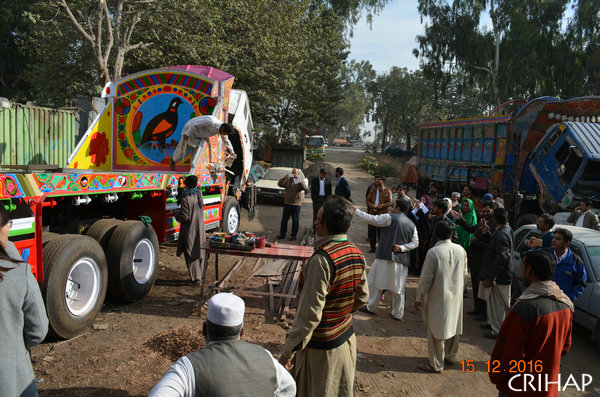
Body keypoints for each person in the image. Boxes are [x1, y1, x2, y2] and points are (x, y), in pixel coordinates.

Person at [279, 196, 368, 397]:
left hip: (321, 352)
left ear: (326, 224)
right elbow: (362, 297)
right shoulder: (356, 253)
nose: (315, 223)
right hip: (346, 340)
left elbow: (309, 316)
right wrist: (339, 310)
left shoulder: (322, 260)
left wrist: (287, 354)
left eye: (319, 219)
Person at [150, 293, 296, 397]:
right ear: (242, 331)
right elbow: (289, 387)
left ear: (204, 329)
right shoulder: (266, 357)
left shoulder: (188, 367)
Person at [490, 250, 573, 397]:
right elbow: (564, 347)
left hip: (519, 388)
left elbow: (507, 354)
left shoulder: (524, 308)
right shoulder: (566, 305)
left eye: (522, 268)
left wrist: (498, 377)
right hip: (547, 387)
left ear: (529, 271)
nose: (521, 272)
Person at [0, 205, 49, 397]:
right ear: (3, 228)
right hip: (12, 381)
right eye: (8, 224)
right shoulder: (18, 272)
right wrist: (13, 347)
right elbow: (38, 330)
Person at [414, 220, 468, 374]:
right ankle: (450, 356)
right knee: (453, 325)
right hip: (455, 295)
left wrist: (419, 297)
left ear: (436, 234)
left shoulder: (434, 252)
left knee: (436, 329)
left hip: (439, 296)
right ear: (452, 234)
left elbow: (425, 278)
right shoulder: (461, 250)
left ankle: (436, 363)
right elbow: (464, 274)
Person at [353, 199, 418, 320]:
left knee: (377, 283)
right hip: (401, 260)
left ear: (397, 208)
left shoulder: (389, 218)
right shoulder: (411, 224)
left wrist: (356, 211)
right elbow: (415, 243)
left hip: (384, 257)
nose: (390, 208)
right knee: (398, 288)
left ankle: (372, 307)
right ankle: (397, 313)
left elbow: (372, 219)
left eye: (393, 206)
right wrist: (402, 248)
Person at [451, 201, 496, 319]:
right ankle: (478, 308)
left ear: (493, 210)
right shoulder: (482, 221)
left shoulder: (494, 225)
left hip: (484, 260)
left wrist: (476, 242)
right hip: (475, 260)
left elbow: (490, 245)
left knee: (483, 287)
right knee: (476, 285)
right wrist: (460, 220)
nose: (485, 213)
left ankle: (483, 312)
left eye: (487, 211)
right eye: (483, 211)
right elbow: (472, 229)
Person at [478, 208, 514, 339]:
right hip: (498, 275)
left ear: (495, 219)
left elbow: (501, 257)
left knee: (498, 304)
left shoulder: (502, 234)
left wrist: (492, 277)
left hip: (500, 276)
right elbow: (494, 244)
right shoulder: (503, 230)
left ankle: (497, 330)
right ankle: (493, 324)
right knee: (493, 302)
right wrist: (486, 232)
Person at [170, 115, 236, 170]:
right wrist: (187, 133)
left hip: (199, 136)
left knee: (197, 154)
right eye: (225, 133)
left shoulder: (221, 131)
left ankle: (193, 168)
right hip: (191, 131)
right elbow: (194, 124)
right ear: (223, 128)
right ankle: (173, 160)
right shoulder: (212, 121)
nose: (224, 135)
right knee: (183, 149)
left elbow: (226, 141)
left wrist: (232, 152)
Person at [174, 175, 205, 284]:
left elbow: (184, 217)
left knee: (191, 252)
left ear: (186, 184)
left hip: (190, 229)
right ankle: (200, 275)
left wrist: (176, 214)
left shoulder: (186, 198)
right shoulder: (198, 193)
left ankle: (196, 278)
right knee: (199, 251)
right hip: (199, 228)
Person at [547, 228, 587, 302]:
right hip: (544, 300)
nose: (553, 240)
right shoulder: (546, 255)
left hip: (562, 304)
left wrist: (570, 299)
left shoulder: (576, 262)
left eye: (558, 239)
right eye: (553, 238)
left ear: (567, 243)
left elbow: (581, 283)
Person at [277, 168, 307, 241]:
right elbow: (279, 184)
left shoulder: (299, 181)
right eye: (292, 173)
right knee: (284, 220)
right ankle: (282, 234)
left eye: (295, 173)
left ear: (298, 174)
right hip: (287, 203)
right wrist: (284, 178)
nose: (293, 174)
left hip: (296, 204)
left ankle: (293, 235)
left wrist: (298, 178)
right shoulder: (287, 181)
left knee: (295, 220)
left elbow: (304, 187)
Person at [365, 176, 392, 253]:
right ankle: (372, 247)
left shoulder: (387, 191)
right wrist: (372, 206)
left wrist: (380, 206)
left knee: (381, 233)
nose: (376, 181)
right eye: (375, 179)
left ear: (383, 181)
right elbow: (367, 201)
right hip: (372, 213)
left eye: (378, 179)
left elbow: (389, 202)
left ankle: (380, 249)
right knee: (372, 231)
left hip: (382, 213)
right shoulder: (372, 190)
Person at [410, 194, 431, 275]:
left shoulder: (429, 210)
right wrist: (413, 207)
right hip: (415, 231)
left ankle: (418, 270)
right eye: (421, 200)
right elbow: (411, 216)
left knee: (421, 253)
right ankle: (412, 268)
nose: (422, 202)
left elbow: (426, 221)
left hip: (423, 234)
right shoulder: (417, 209)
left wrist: (420, 210)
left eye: (424, 200)